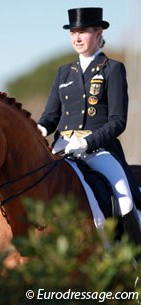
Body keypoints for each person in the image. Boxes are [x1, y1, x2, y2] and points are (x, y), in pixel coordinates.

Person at [38, 7, 141, 246]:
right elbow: (50, 117)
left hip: (98, 150)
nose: (77, 37)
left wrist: (86, 142)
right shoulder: (63, 73)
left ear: (98, 33)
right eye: (73, 32)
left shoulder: (112, 69)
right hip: (62, 148)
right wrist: (40, 130)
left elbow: (118, 121)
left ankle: (134, 261)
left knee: (125, 199)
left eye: (83, 32)